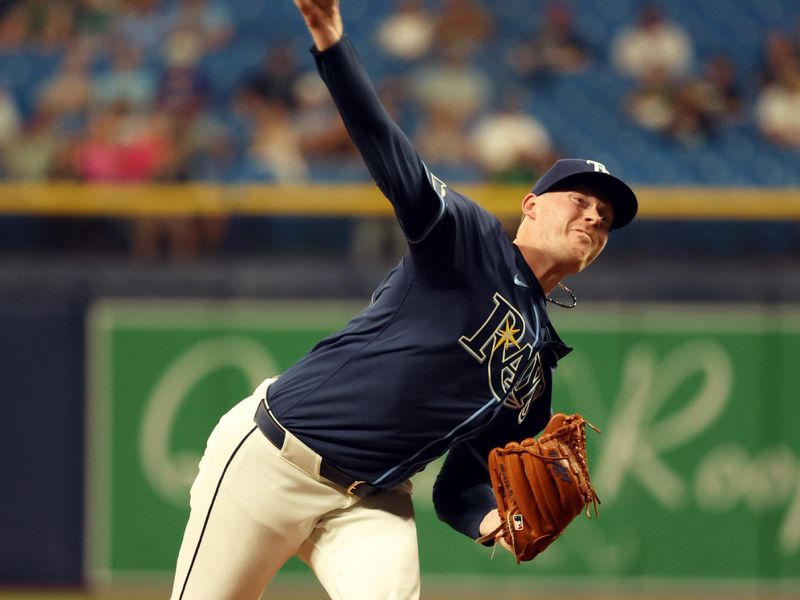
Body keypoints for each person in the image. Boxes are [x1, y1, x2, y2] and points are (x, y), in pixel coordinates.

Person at [169, 1, 638, 599]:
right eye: (580, 200)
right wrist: (332, 44)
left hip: (373, 500)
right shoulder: (468, 239)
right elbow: (391, 154)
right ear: (531, 205)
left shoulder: (535, 368)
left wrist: (491, 519)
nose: (595, 216)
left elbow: (462, 486)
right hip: (273, 458)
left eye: (605, 219)